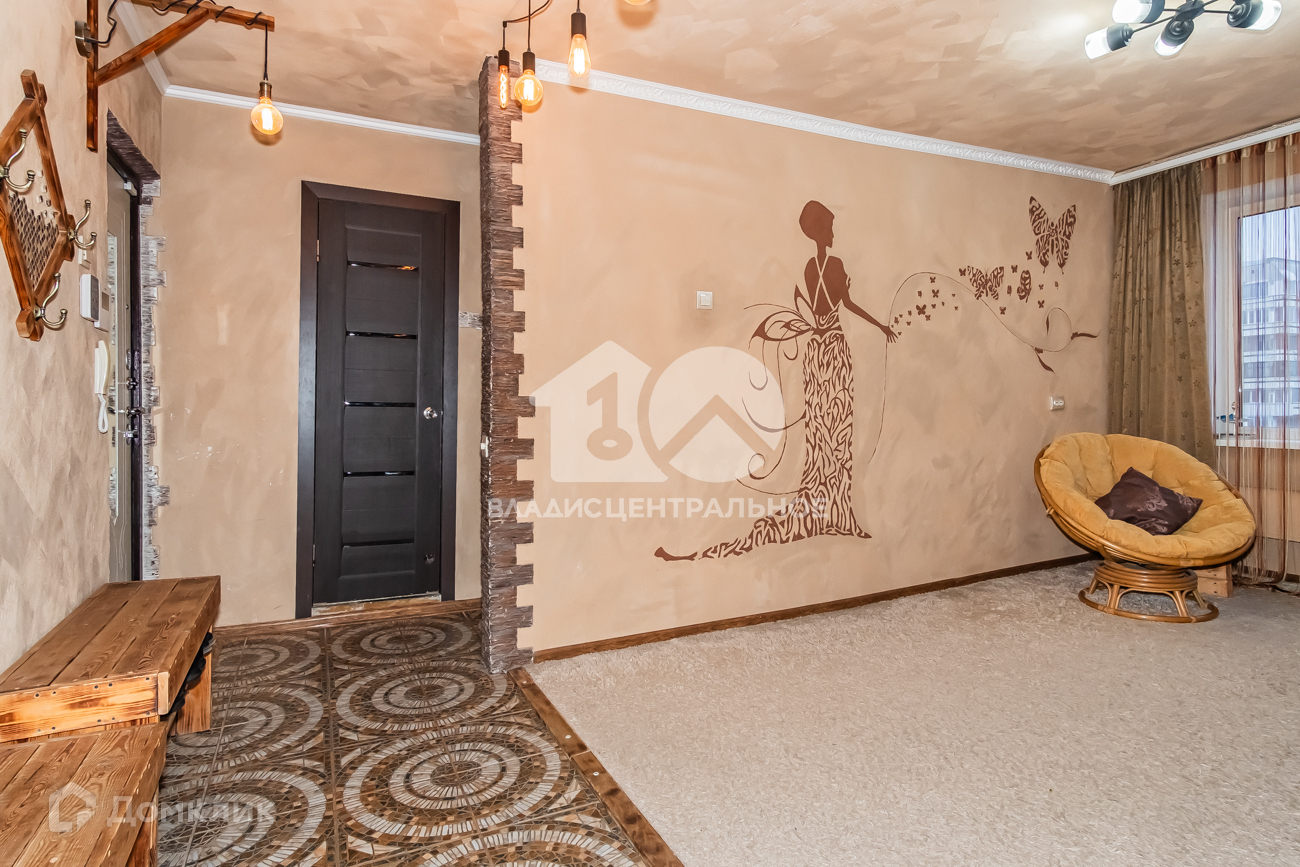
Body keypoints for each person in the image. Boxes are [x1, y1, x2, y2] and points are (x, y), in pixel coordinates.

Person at [656, 201, 894, 561]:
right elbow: (846, 304)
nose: (833, 233)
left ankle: (823, 500)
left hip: (816, 350)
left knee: (821, 424)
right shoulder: (834, 266)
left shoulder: (810, 268)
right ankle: (833, 505)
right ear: (821, 230)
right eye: (830, 227)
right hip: (833, 347)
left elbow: (814, 307)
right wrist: (881, 326)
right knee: (837, 423)